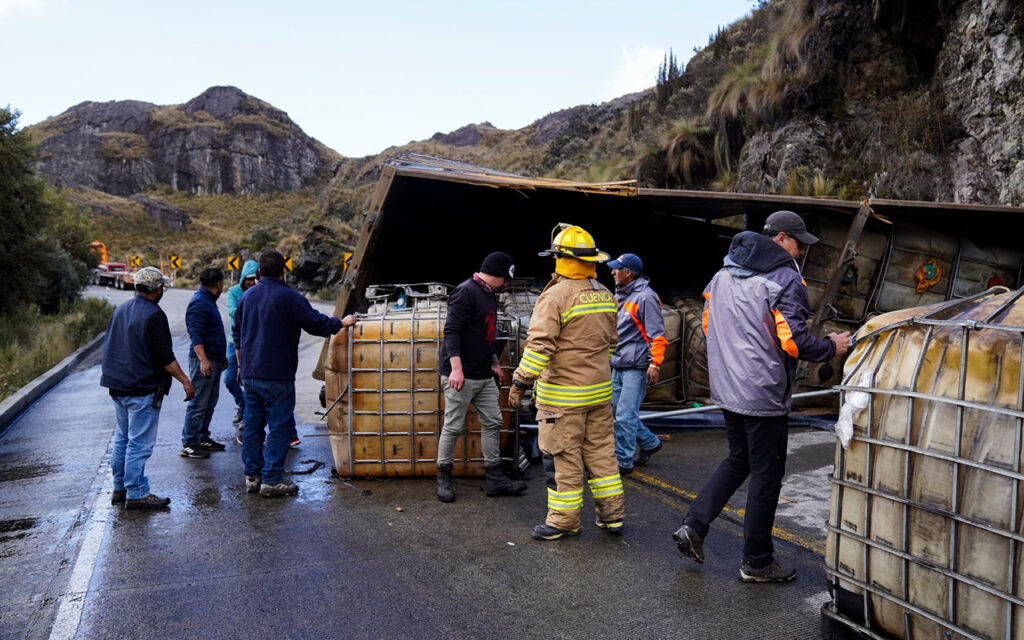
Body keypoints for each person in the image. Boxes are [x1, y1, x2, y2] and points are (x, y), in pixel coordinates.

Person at [672, 210, 851, 583]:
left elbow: (706, 326)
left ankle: (694, 526)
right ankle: (757, 561)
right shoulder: (786, 279)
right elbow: (794, 341)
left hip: (728, 388)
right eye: (799, 243)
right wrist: (831, 346)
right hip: (763, 394)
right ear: (781, 239)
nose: (802, 251)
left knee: (739, 460)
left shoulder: (721, 274)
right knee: (767, 476)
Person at [508, 223, 624, 540]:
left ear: (559, 258)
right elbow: (611, 343)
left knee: (564, 457)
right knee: (602, 455)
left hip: (563, 400)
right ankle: (612, 516)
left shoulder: (555, 297)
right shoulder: (604, 294)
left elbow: (539, 347)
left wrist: (520, 382)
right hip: (599, 394)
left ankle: (563, 521)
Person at [233, 250, 357, 498]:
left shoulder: (246, 298)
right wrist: (341, 323)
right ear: (283, 272)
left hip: (250, 374)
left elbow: (237, 334)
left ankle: (252, 476)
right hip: (277, 375)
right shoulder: (289, 297)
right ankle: (271, 480)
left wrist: (240, 366)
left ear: (259, 273)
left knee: (253, 427)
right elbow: (316, 322)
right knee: (279, 428)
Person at [436, 251, 527, 503]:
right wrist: (456, 368)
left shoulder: (488, 295)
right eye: (505, 279)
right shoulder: (465, 292)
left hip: (484, 374)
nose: (506, 285)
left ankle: (495, 478)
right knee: (453, 427)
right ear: (497, 274)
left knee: (493, 421)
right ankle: (443, 476)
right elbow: (452, 331)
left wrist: (495, 362)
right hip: (461, 376)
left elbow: (486, 334)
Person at [100, 266, 195, 510]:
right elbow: (165, 357)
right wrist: (185, 380)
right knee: (139, 443)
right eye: (161, 285)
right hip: (142, 388)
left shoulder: (120, 310)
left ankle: (119, 488)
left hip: (117, 387)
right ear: (156, 289)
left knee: (123, 438)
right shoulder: (154, 314)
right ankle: (137, 492)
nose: (163, 289)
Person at [607, 253, 667, 475]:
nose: (613, 272)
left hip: (636, 365)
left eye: (617, 269)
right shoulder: (620, 295)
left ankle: (623, 461)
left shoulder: (645, 297)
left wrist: (655, 364)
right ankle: (650, 442)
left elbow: (657, 335)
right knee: (617, 411)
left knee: (624, 414)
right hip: (620, 363)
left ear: (628, 273)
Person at [180, 267, 228, 458]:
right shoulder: (199, 303)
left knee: (209, 402)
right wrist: (203, 360)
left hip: (214, 360)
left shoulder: (208, 301)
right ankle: (189, 442)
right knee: (199, 403)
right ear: (219, 285)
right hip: (204, 361)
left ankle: (202, 436)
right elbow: (195, 334)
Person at [224, 259, 258, 427]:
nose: (251, 283)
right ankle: (243, 404)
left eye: (254, 279)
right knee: (230, 379)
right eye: (248, 279)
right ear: (243, 278)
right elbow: (232, 311)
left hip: (254, 344)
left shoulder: (261, 291)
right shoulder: (234, 292)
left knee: (250, 382)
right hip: (235, 342)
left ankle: (250, 416)